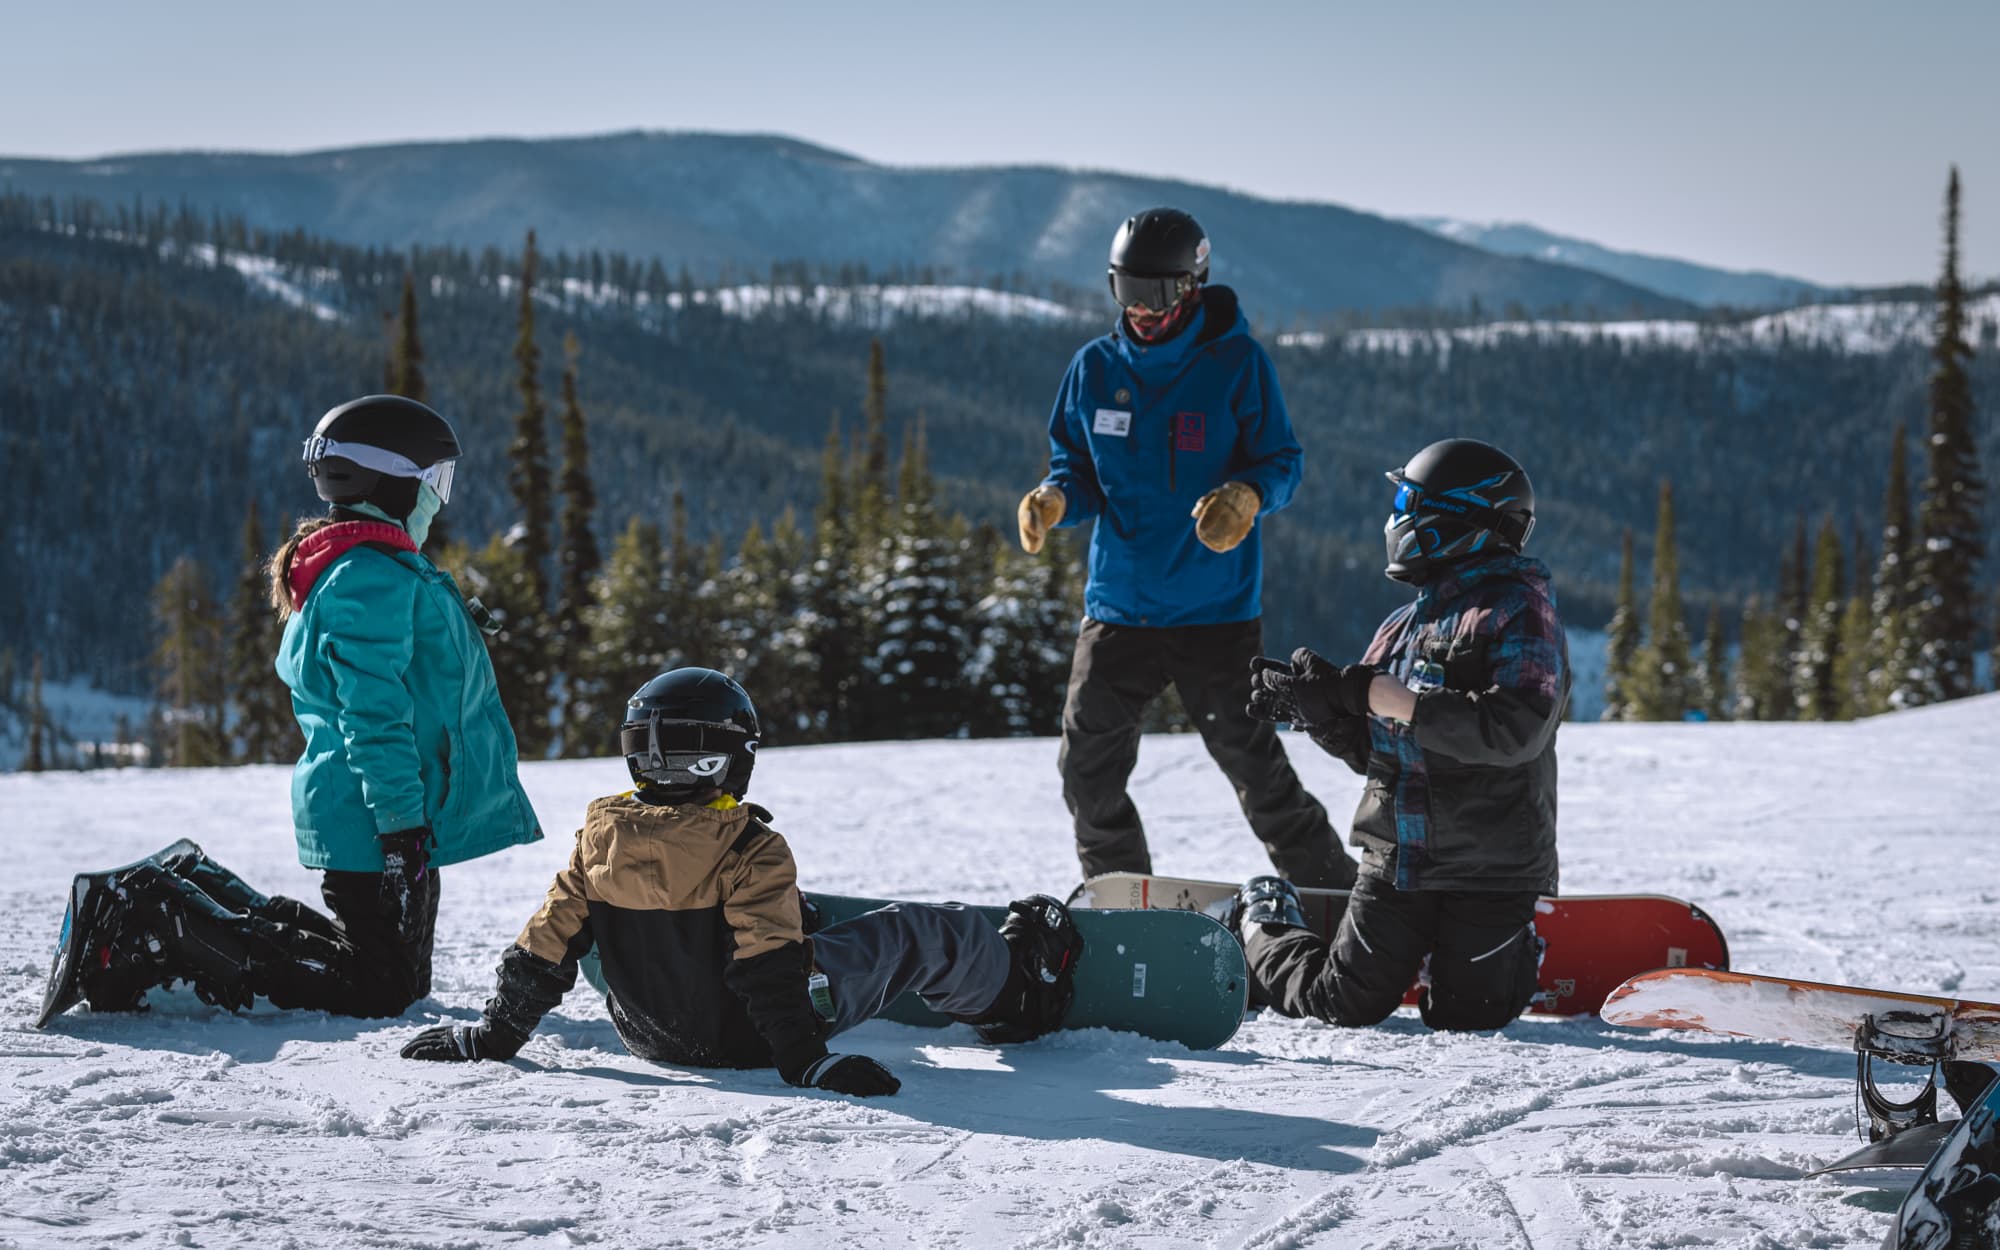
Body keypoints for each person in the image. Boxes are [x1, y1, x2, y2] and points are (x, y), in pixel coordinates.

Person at [400, 668, 1084, 1098]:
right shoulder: (751, 847)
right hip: (756, 1037)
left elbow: (543, 949)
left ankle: (799, 920)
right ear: (731, 758)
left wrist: (491, 1037)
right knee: (926, 930)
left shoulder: (599, 842)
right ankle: (1020, 994)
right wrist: (806, 1061)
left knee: (760, 921)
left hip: (650, 1034)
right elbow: (768, 970)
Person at [74, 394, 542, 1019]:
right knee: (380, 991)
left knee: (397, 980)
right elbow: (373, 719)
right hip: (374, 818)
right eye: (435, 482)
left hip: (390, 814)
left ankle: (202, 891)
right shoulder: (367, 579)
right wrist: (400, 833)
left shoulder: (369, 567)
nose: (440, 499)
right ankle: (168, 921)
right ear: (392, 482)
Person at [1018, 206, 1355, 889]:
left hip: (1215, 615)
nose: (1140, 309)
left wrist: (1249, 495)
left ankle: (1337, 897)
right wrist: (1055, 500)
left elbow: (1282, 461)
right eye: (1125, 290)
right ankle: (1124, 904)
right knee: (1086, 772)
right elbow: (1077, 470)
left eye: (1156, 292)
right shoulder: (1093, 369)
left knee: (1257, 772)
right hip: (1119, 611)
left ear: (1192, 285)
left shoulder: (1236, 364)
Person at [1235, 438, 1568, 1032]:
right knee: (1342, 1004)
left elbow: (1517, 729)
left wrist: (1401, 703)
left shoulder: (1519, 610)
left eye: (1407, 503)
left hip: (1492, 864)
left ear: (1455, 516)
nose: (1397, 518)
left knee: (1470, 1016)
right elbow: (1377, 752)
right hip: (1397, 861)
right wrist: (1324, 715)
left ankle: (1502, 951)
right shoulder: (1403, 626)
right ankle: (1262, 923)